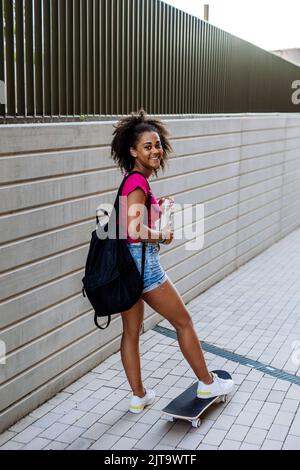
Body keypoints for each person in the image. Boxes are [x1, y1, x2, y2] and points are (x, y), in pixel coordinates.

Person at [110, 109, 234, 414]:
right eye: (147, 146)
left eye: (157, 145)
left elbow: (134, 222)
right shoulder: (137, 182)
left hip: (126, 267)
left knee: (130, 333)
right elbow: (134, 229)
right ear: (132, 151)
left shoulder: (133, 181)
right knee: (184, 322)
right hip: (144, 268)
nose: (155, 151)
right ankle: (207, 382)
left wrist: (160, 208)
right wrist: (163, 235)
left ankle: (139, 396)